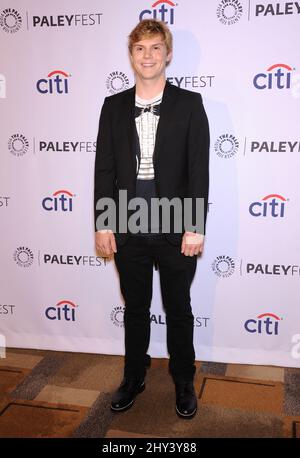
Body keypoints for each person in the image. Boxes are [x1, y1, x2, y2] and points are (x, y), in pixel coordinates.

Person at [94, 19, 209, 419]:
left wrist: (195, 225)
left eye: (156, 48)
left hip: (176, 222)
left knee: (178, 306)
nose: (148, 56)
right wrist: (104, 222)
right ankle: (133, 375)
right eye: (140, 48)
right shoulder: (113, 106)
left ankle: (182, 380)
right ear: (131, 55)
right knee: (136, 307)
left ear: (168, 54)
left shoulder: (190, 103)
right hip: (128, 222)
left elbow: (198, 168)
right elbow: (104, 168)